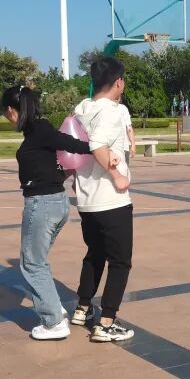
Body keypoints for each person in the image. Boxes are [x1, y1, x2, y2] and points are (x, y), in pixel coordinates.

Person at [0, 85, 104, 341]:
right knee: (38, 261)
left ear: (11, 110)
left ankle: (53, 321)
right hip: (55, 202)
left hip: (43, 204)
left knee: (32, 263)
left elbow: (72, 144)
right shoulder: (37, 130)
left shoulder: (39, 129)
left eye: (5, 114)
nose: (7, 118)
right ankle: (54, 307)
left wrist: (98, 148)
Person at [71, 55, 136, 342]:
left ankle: (83, 308)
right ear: (118, 82)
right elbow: (97, 144)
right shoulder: (111, 111)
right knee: (120, 261)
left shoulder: (83, 110)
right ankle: (106, 322)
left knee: (95, 254)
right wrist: (117, 175)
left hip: (88, 201)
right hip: (111, 199)